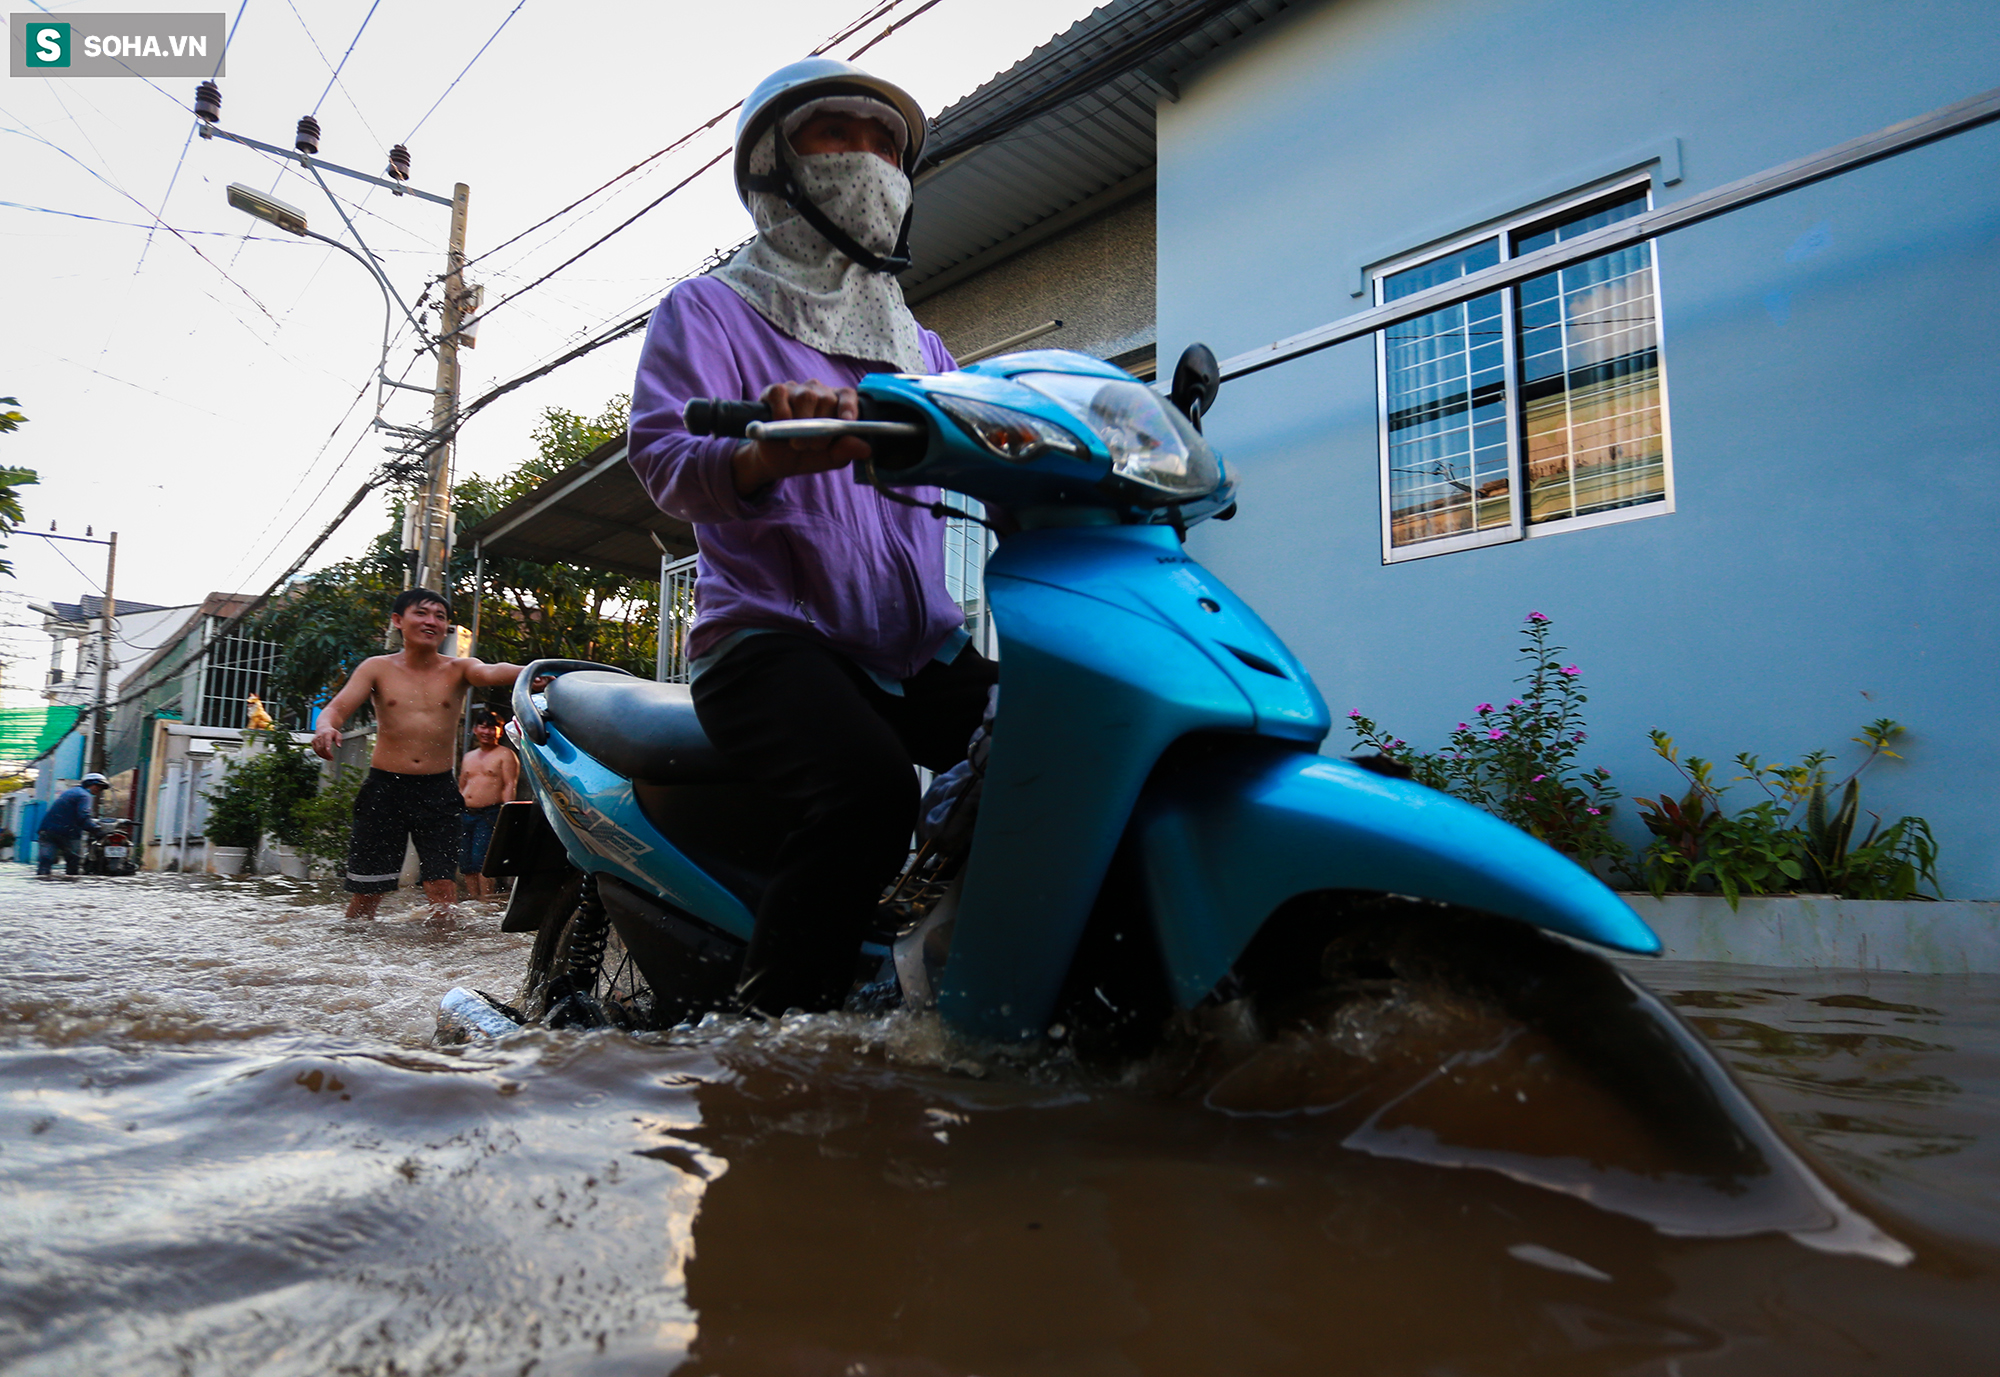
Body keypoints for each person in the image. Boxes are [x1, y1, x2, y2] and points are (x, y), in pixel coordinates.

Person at [628, 58, 996, 1015]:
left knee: (1052, 743)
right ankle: (772, 1043)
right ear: (774, 166)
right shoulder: (706, 309)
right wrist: (766, 452)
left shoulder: (923, 349)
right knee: (869, 797)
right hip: (767, 641)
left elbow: (987, 453)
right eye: (841, 134)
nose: (870, 159)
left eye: (887, 144)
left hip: (917, 645)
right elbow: (666, 457)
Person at [311, 589, 533, 919]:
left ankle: (440, 967)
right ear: (398, 621)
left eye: (440, 617)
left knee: (443, 892)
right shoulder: (377, 668)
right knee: (368, 894)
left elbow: (492, 671)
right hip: (384, 790)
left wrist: (535, 673)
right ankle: (354, 962)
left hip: (438, 791)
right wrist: (325, 727)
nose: (431, 622)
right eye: (422, 613)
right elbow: (336, 708)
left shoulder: (459, 668)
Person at [457, 708, 518, 900]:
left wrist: (506, 815)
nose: (487, 732)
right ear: (475, 729)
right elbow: (462, 784)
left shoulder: (505, 755)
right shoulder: (469, 756)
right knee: (465, 862)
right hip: (465, 813)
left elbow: (510, 784)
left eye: (493, 728)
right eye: (483, 727)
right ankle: (473, 900)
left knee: (481, 860)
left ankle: (485, 900)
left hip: (490, 814)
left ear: (500, 731)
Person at [37, 772, 107, 879]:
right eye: (97, 786)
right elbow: (83, 816)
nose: (98, 790)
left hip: (47, 830)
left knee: (45, 862)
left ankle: (41, 885)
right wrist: (96, 830)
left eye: (101, 788)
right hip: (68, 833)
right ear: (89, 783)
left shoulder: (71, 792)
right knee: (73, 863)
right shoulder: (84, 795)